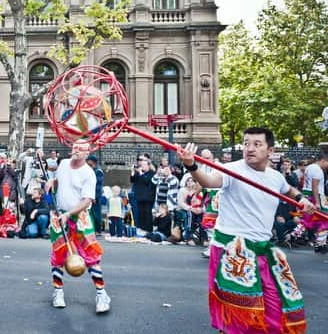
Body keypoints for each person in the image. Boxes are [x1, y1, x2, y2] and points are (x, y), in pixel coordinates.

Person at [178, 127, 315, 334]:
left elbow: (289, 190)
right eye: (246, 143)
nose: (249, 148)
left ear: (270, 150)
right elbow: (209, 181)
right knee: (237, 314)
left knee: (276, 309)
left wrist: (301, 199)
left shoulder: (275, 177)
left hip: (263, 251)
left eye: (257, 144)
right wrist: (191, 164)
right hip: (232, 251)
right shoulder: (232, 169)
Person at [45, 139, 110, 314]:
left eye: (80, 149)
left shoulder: (89, 173)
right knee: (58, 255)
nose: (75, 150)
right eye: (74, 147)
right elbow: (59, 180)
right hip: (60, 216)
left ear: (86, 153)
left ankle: (101, 294)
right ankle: (58, 292)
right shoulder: (64, 163)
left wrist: (69, 214)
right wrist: (52, 183)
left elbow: (87, 200)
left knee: (90, 256)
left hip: (80, 218)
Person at [298, 152, 328, 253]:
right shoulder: (317, 170)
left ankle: (294, 235)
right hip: (316, 196)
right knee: (325, 219)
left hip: (307, 194)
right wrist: (318, 202)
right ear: (323, 161)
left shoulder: (309, 167)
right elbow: (315, 186)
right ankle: (320, 243)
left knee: (308, 219)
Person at [130, 157, 155, 235]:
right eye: (142, 165)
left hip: (148, 197)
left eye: (144, 165)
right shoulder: (139, 172)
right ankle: (141, 228)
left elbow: (146, 181)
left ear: (148, 166)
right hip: (139, 196)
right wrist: (132, 172)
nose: (142, 166)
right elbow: (132, 180)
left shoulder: (152, 173)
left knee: (147, 213)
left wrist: (141, 173)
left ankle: (148, 229)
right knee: (140, 213)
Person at [86, 154, 105, 235]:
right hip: (90, 195)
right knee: (91, 213)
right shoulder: (90, 170)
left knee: (97, 213)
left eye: (90, 163)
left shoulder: (98, 171)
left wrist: (94, 197)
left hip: (96, 196)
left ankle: (98, 230)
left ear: (94, 163)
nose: (88, 164)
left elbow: (98, 186)